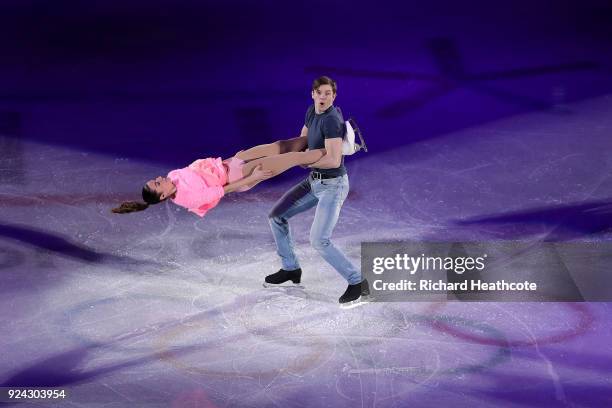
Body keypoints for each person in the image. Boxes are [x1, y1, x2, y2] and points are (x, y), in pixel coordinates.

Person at [264, 76, 370, 309]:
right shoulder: (312, 111)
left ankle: (358, 283)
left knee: (319, 240)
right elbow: (302, 142)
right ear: (312, 94)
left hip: (333, 186)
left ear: (334, 96)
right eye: (319, 93)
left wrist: (302, 162)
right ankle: (291, 269)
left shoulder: (331, 120)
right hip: (314, 182)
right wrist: (281, 156)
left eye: (328, 94)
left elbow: (333, 160)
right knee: (276, 216)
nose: (323, 97)